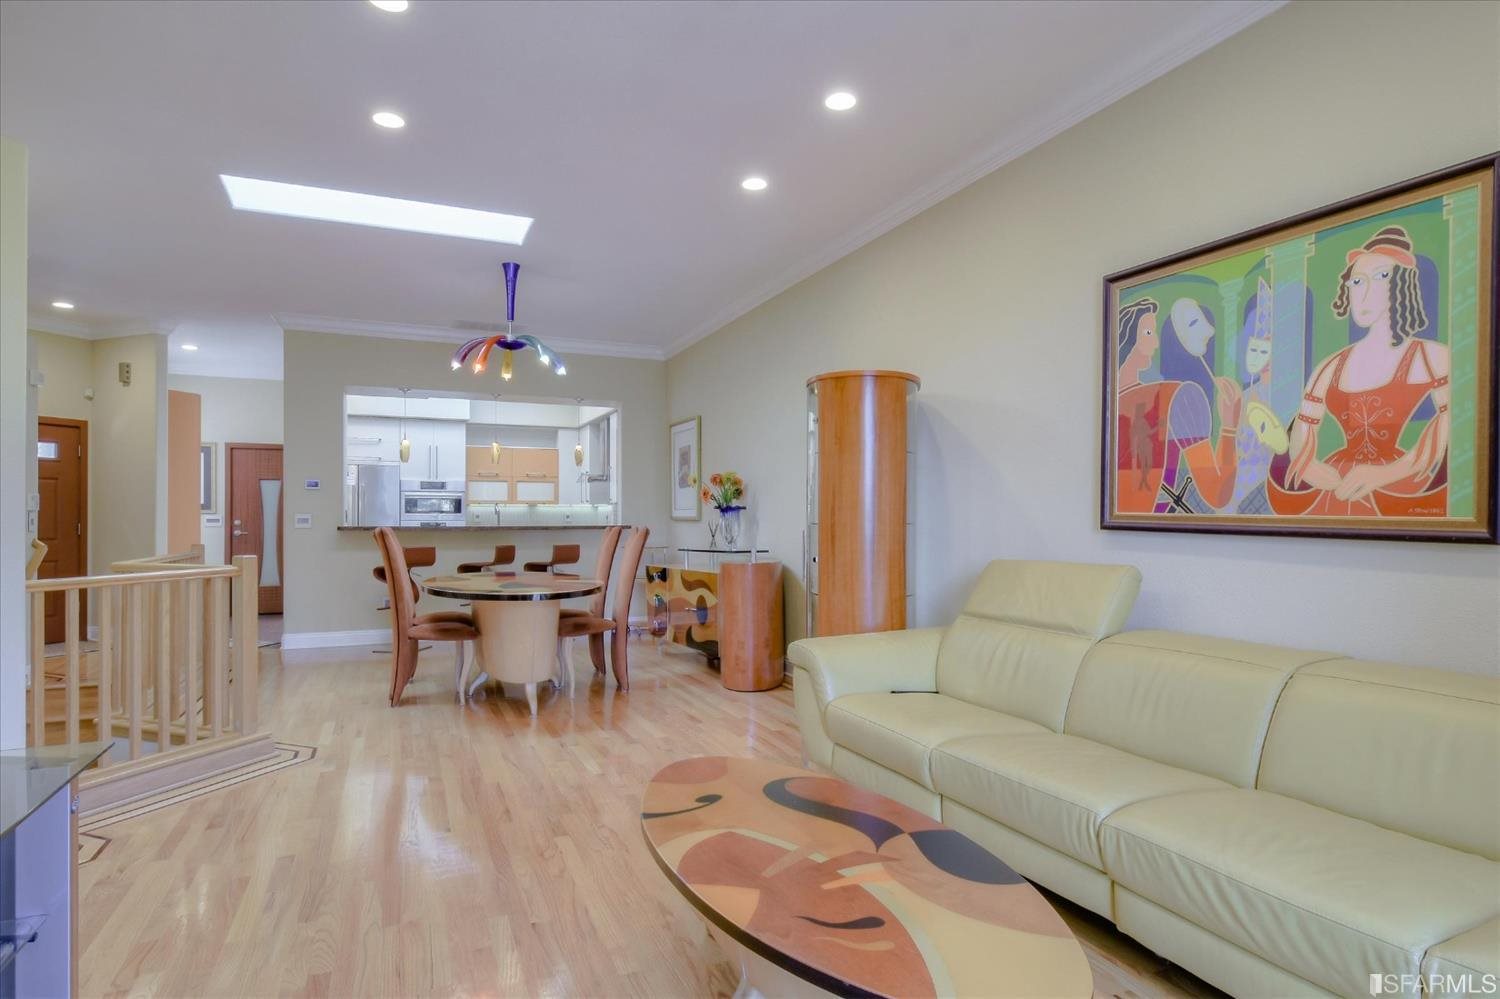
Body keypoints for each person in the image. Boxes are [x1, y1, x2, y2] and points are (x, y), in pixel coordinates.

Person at [1270, 225, 1449, 517]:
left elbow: (1454, 420)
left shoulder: (1431, 357)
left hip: (1397, 480)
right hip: (1337, 483)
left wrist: (1387, 473)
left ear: (1401, 284)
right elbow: (1303, 430)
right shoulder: (1329, 367)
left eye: (1379, 277)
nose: (1362, 293)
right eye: (1356, 281)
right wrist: (1311, 467)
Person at [1115, 297, 1242, 514]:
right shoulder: (1179, 398)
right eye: (1147, 334)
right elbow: (1218, 493)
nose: (1154, 343)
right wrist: (1229, 426)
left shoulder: (1106, 412)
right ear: (1125, 341)